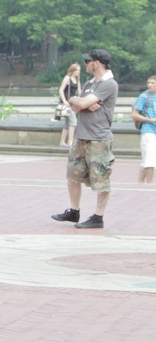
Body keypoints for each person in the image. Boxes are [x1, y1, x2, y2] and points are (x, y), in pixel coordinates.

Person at [54, 47, 118, 229]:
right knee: (73, 174)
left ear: (96, 63)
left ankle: (98, 217)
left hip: (99, 139)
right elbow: (76, 105)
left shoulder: (109, 84)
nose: (85, 64)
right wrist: (81, 103)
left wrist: (81, 103)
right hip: (81, 136)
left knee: (101, 179)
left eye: (88, 62)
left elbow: (80, 103)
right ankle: (74, 211)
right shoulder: (90, 83)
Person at [133, 77, 156, 185]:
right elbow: (134, 114)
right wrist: (150, 120)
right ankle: (150, 186)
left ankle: (140, 184)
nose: (150, 85)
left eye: (153, 83)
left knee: (146, 160)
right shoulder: (144, 96)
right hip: (148, 130)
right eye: (148, 83)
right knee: (150, 160)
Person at [59, 62, 84, 149]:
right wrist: (64, 101)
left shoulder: (77, 80)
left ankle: (62, 142)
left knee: (67, 123)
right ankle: (70, 142)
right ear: (72, 70)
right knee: (73, 122)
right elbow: (61, 90)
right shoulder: (67, 78)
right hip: (66, 103)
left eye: (79, 70)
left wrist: (81, 99)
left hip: (73, 103)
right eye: (77, 70)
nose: (78, 72)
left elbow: (80, 92)